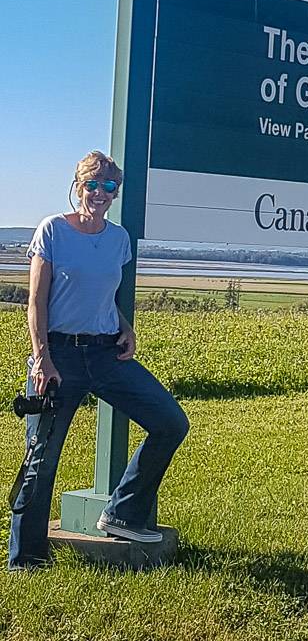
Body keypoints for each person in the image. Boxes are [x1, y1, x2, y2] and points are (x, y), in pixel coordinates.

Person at [8, 151, 189, 571]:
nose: (101, 194)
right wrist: (42, 359)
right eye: (93, 185)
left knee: (170, 422)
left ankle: (122, 513)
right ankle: (26, 558)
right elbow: (36, 301)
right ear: (78, 185)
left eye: (110, 187)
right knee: (42, 456)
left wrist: (126, 326)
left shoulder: (118, 239)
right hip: (59, 356)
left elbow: (103, 295)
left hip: (107, 353)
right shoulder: (53, 230)